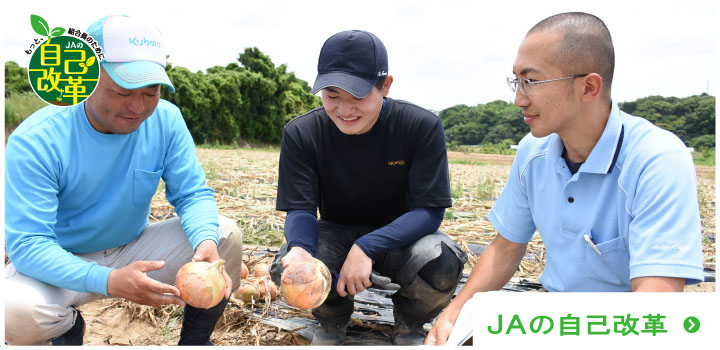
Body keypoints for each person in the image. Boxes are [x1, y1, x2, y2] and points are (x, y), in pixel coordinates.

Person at [425, 12, 705, 345]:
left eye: (532, 81)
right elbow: (506, 247)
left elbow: (656, 297)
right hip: (559, 320)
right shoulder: (533, 152)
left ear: (588, 87)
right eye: (516, 81)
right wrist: (453, 315)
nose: (519, 98)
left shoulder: (656, 160)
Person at [4, 15, 243, 345]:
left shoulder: (166, 120)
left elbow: (191, 194)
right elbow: (29, 244)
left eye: (150, 92)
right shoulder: (37, 140)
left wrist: (204, 242)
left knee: (224, 234)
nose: (137, 107)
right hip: (58, 261)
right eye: (122, 91)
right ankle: (66, 329)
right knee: (14, 313)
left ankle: (194, 342)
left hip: (132, 248)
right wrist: (109, 280)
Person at [269, 30, 468, 345]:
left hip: (404, 237)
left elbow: (430, 212)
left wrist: (367, 246)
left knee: (441, 261)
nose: (344, 111)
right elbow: (301, 209)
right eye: (332, 96)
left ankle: (410, 323)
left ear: (385, 86)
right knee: (291, 266)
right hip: (336, 231)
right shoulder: (302, 133)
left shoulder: (420, 126)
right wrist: (301, 249)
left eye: (358, 97)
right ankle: (332, 320)